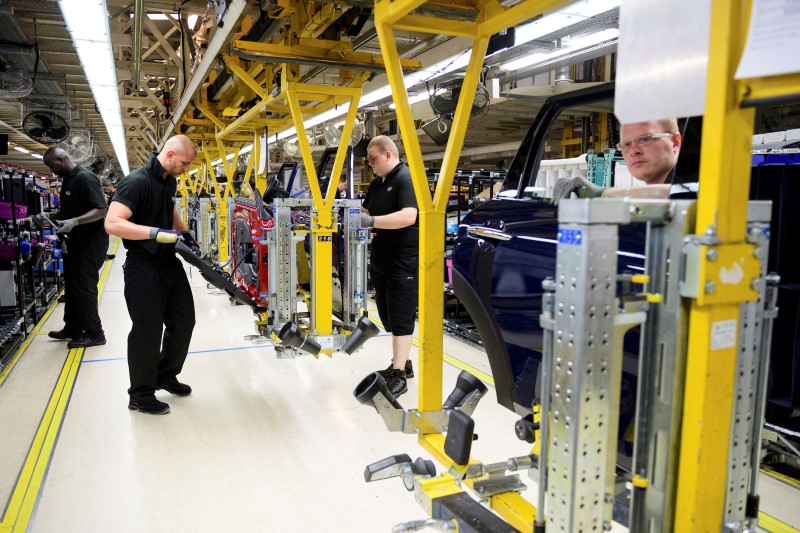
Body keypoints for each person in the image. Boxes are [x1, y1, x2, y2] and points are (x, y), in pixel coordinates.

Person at [104, 135, 198, 415]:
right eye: (184, 163)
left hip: (168, 263)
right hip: (142, 266)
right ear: (169, 155)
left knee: (184, 322)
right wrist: (154, 233)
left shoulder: (169, 179)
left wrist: (183, 233)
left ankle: (164, 374)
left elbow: (167, 208)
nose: (186, 169)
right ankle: (141, 393)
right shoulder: (136, 182)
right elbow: (112, 223)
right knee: (147, 330)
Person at [360, 135, 419, 397]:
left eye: (373, 159)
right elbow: (365, 212)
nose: (370, 164)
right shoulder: (377, 184)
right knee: (387, 315)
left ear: (387, 155)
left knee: (401, 315)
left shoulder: (405, 178)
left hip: (402, 259)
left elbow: (409, 216)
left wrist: (372, 221)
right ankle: (402, 362)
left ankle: (399, 374)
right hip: (381, 257)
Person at [39, 147, 109, 348]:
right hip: (74, 241)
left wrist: (76, 222)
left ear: (61, 159)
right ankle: (72, 328)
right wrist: (49, 216)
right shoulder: (68, 179)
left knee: (85, 288)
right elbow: (68, 211)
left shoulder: (86, 178)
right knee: (71, 287)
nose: (52, 171)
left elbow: (101, 209)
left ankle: (95, 333)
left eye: (52, 165)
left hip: (91, 242)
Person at [552, 119, 684, 204]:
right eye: (626, 144)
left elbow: (684, 196)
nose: (633, 150)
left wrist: (599, 193)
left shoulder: (696, 182)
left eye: (645, 139)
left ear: (675, 143)